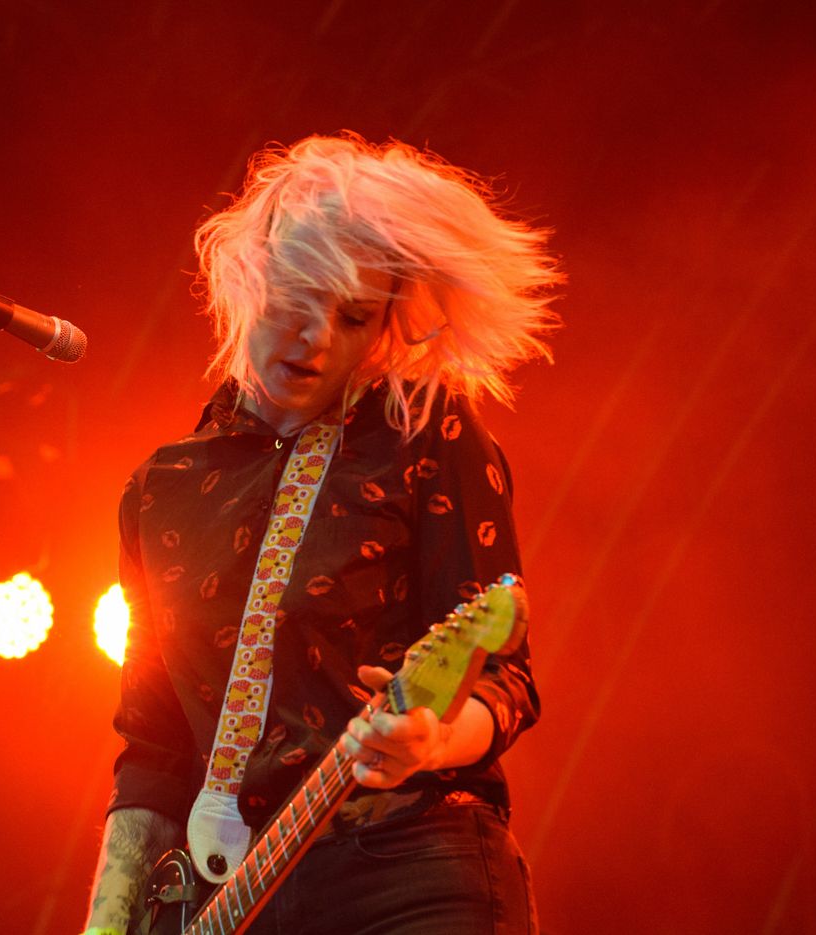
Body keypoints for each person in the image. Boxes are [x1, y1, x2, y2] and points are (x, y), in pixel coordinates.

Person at [85, 132, 562, 935]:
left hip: (406, 868)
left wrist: (433, 740)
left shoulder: (425, 432)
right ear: (247, 282)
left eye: (350, 316)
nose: (315, 338)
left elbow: (506, 679)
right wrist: (105, 926)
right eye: (295, 302)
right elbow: (155, 747)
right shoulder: (161, 488)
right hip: (233, 900)